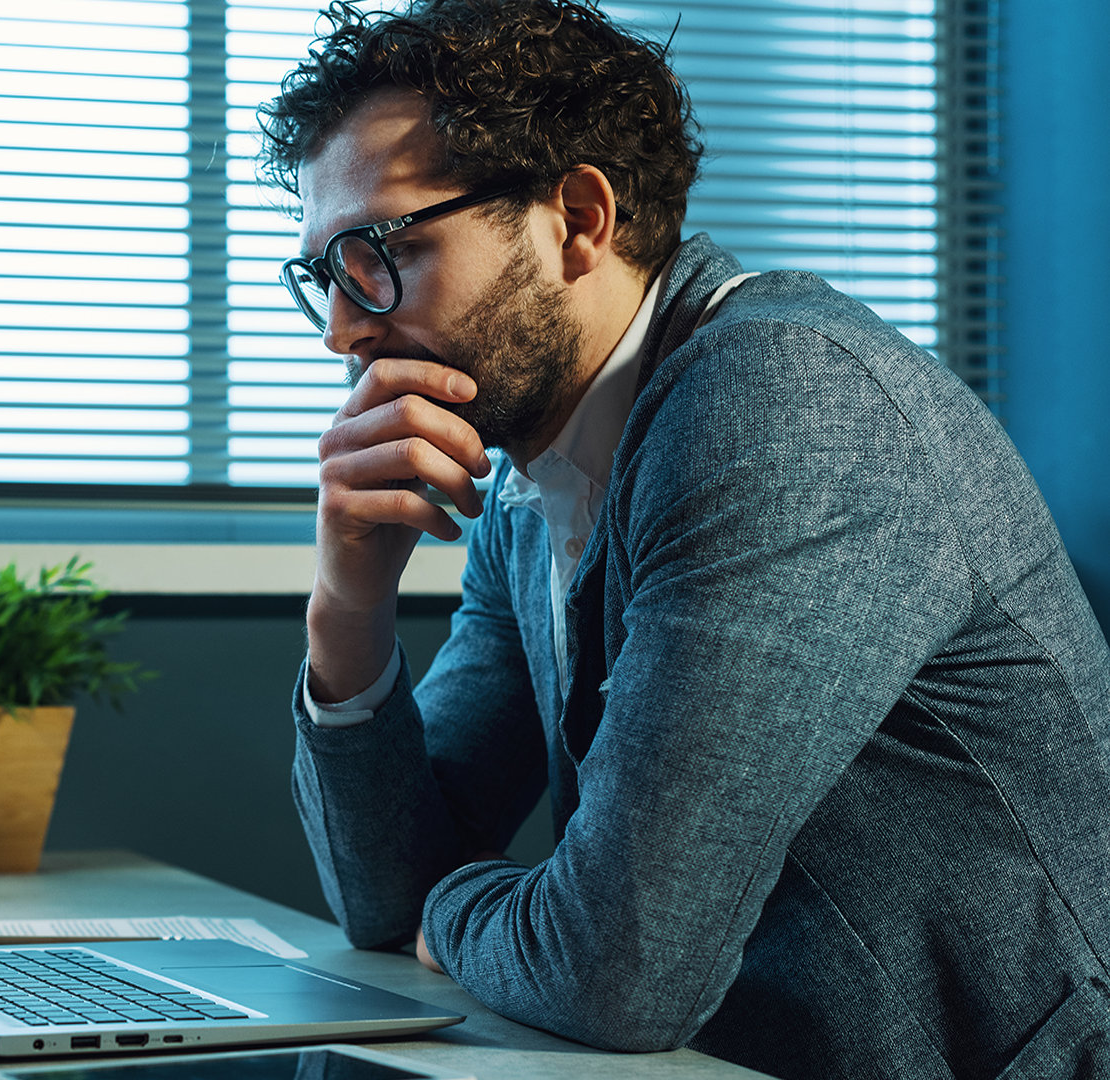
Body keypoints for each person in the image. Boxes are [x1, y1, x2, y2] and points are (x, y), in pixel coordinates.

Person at [260, 2, 1110, 1077]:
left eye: (376, 252)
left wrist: (458, 905)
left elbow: (614, 968)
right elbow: (383, 893)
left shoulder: (781, 405)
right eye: (320, 275)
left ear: (576, 216)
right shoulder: (533, 481)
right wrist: (346, 607)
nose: (342, 325)